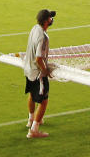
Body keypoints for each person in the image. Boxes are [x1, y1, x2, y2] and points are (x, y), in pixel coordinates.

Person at [24, 8, 56, 139]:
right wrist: (46, 71)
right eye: (50, 18)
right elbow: (38, 58)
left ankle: (31, 119)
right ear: (46, 21)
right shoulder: (43, 37)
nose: (52, 19)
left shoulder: (34, 28)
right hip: (38, 73)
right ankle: (34, 130)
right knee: (44, 101)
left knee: (32, 94)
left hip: (28, 69)